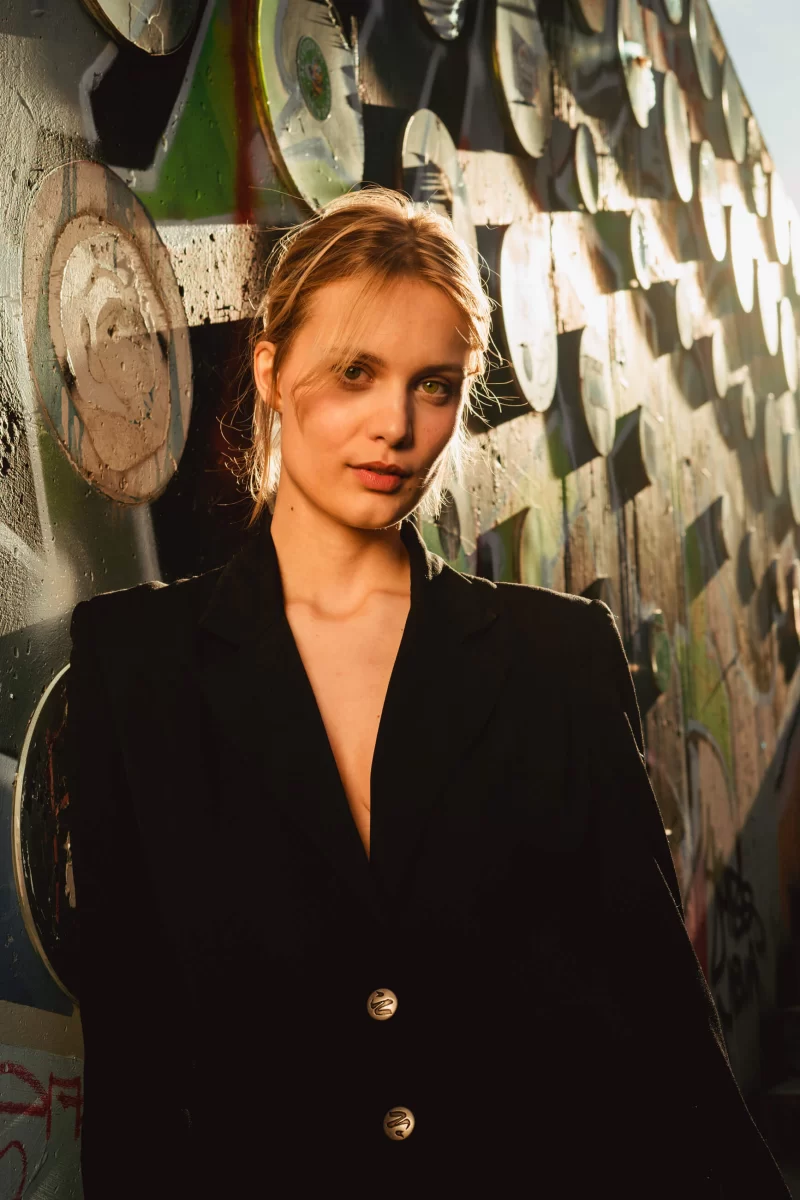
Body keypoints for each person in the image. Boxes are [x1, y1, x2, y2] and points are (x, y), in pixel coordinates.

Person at [66, 186, 790, 1198]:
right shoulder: (133, 663)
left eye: (434, 384)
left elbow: (662, 1035)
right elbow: (134, 1073)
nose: (396, 426)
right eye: (355, 372)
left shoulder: (554, 658)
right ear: (270, 370)